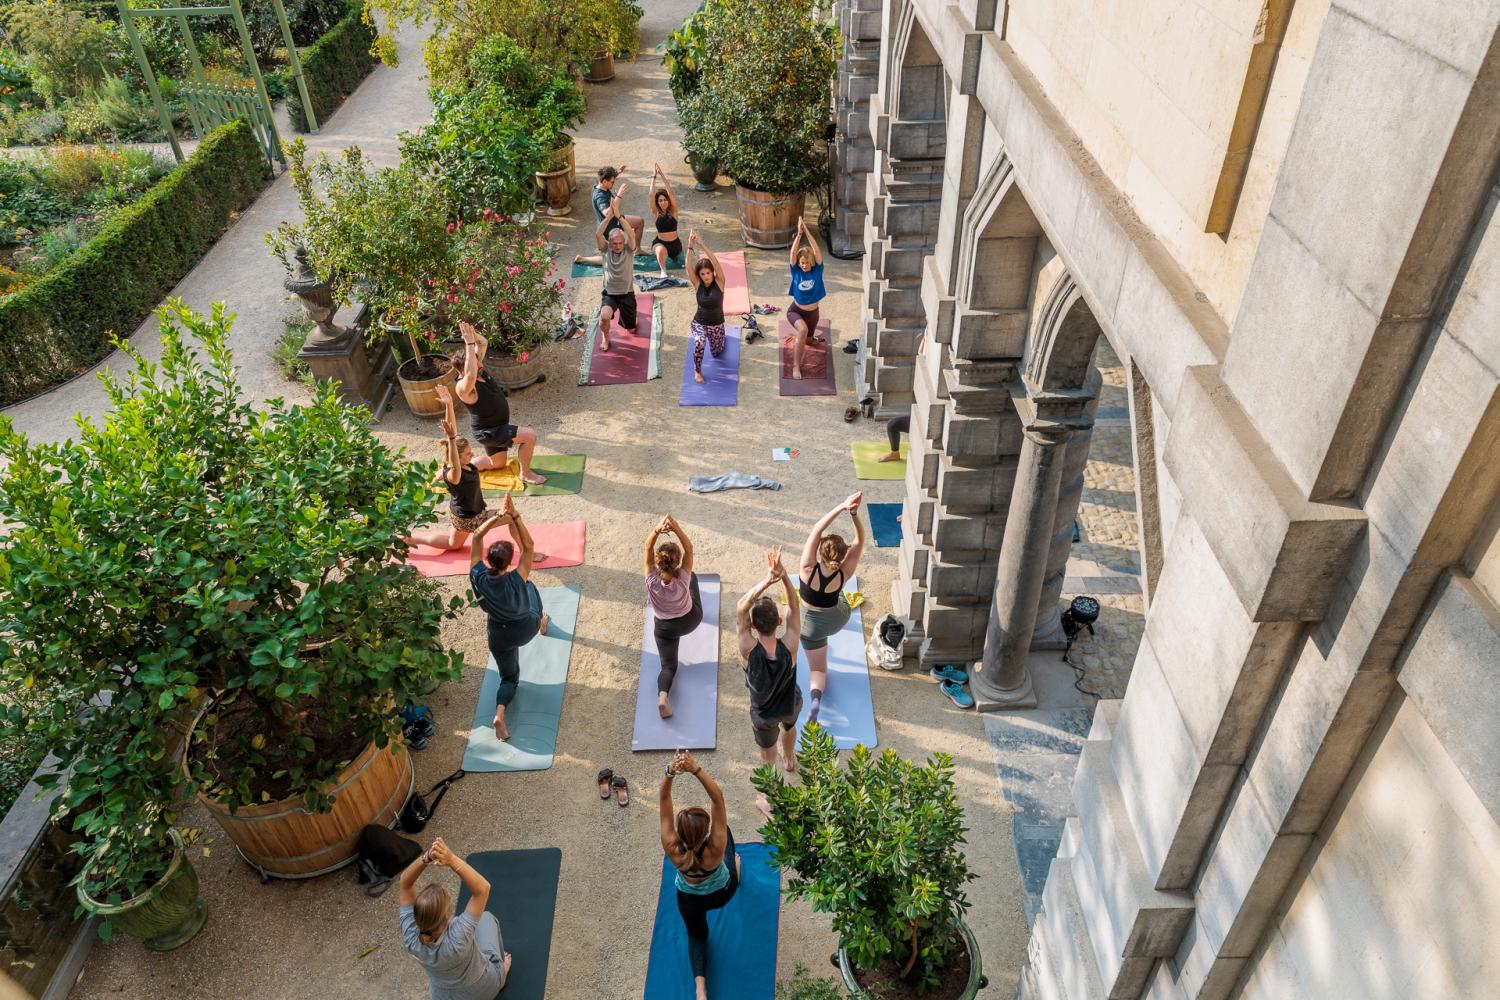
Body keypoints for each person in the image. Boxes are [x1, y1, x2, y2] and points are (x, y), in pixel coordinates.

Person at [659, 750, 739, 1000]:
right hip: (723, 893)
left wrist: (671, 772)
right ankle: (738, 866)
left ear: (679, 833)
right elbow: (718, 799)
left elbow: (664, 799)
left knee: (696, 935)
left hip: (689, 900)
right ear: (705, 830)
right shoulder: (715, 846)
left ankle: (700, 989)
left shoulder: (671, 847)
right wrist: (694, 769)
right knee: (725, 831)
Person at [470, 495, 548, 741]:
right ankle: (542, 622)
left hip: (499, 635)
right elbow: (530, 546)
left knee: (509, 677)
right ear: (509, 562)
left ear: (489, 560)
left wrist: (495, 517)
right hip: (526, 627)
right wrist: (513, 515)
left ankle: (499, 715)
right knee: (531, 587)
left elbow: (476, 537)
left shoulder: (478, 576)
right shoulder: (516, 579)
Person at [399, 836, 512, 1000]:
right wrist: (451, 859)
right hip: (483, 991)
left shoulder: (411, 936)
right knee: (486, 918)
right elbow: (483, 889)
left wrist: (426, 857)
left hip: (443, 997)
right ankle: (501, 973)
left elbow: (404, 883)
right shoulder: (459, 935)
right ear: (446, 915)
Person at [736, 547, 802, 813]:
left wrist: (767, 580)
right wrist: (783, 577)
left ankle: (770, 800)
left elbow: (741, 608)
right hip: (790, 704)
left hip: (763, 715)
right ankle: (790, 759)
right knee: (788, 729)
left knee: (767, 757)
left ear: (753, 627)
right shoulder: (790, 643)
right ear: (778, 620)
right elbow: (794, 606)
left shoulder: (748, 649)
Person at [451, 321, 546, 486]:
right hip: (490, 431)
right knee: (529, 436)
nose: (480, 363)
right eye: (475, 362)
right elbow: (471, 375)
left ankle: (459, 468)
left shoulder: (477, 368)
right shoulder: (463, 387)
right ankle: (526, 474)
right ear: (463, 370)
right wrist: (468, 343)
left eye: (477, 360)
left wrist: (474, 337)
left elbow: (483, 343)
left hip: (497, 426)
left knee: (497, 463)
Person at [798, 493, 866, 723]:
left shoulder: (807, 568)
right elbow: (859, 541)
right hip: (836, 620)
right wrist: (854, 513)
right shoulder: (843, 573)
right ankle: (817, 700)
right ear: (842, 555)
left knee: (818, 669)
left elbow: (817, 529)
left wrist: (842, 506)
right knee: (843, 598)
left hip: (809, 626)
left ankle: (816, 699)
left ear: (820, 553)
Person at [404, 385, 487, 551]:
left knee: (452, 544)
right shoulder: (454, 473)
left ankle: (410, 539)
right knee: (511, 518)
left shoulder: (455, 461)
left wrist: (449, 405)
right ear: (458, 456)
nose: (472, 455)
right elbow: (452, 444)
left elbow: (453, 434)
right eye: (468, 454)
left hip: (468, 512)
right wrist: (450, 437)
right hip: (469, 518)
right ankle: (529, 551)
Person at [645, 513, 704, 718]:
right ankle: (662, 700)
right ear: (677, 562)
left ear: (657, 562)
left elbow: (647, 547)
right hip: (690, 620)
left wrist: (657, 530)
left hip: (664, 629)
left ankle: (663, 699)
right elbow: (689, 549)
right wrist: (676, 527)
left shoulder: (651, 578)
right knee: (693, 578)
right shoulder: (683, 576)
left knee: (668, 666)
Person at [575, 197, 640, 352]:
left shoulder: (628, 250)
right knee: (604, 316)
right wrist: (609, 216)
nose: (617, 246)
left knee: (632, 329)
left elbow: (631, 234)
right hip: (610, 293)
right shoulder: (606, 250)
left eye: (619, 243)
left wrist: (618, 215)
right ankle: (605, 336)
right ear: (609, 243)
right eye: (614, 243)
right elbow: (598, 234)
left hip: (627, 294)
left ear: (622, 242)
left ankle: (632, 319)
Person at [786, 216, 827, 380]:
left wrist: (807, 231)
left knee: (808, 341)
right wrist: (799, 233)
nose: (804, 265)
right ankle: (796, 367)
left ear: (812, 263)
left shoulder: (818, 270)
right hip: (795, 311)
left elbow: (816, 251)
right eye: (802, 262)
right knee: (802, 330)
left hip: (813, 314)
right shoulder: (795, 270)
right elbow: (792, 253)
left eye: (807, 263)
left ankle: (802, 339)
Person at [685, 230, 726, 384]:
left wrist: (701, 244)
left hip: (717, 325)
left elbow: (715, 261)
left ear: (712, 272)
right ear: (699, 275)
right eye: (702, 274)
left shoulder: (720, 282)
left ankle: (721, 339)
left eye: (708, 273)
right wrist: (690, 246)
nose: (706, 276)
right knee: (700, 342)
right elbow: (687, 266)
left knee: (717, 352)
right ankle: (697, 371)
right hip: (699, 323)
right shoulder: (697, 284)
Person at [592, 164, 645, 249]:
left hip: (615, 220)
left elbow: (607, 178)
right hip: (610, 227)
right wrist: (619, 195)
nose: (614, 183)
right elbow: (608, 213)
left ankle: (637, 250)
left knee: (640, 221)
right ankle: (630, 250)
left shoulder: (599, 184)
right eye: (612, 182)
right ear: (605, 181)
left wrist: (617, 172)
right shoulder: (600, 197)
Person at [648, 163, 682, 277]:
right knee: (661, 251)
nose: (663, 202)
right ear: (657, 203)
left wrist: (661, 174)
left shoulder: (674, 211)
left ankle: (669, 257)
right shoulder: (656, 213)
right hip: (660, 243)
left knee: (677, 257)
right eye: (660, 201)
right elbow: (651, 195)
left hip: (675, 245)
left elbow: (671, 192)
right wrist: (654, 176)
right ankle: (663, 270)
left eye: (664, 200)